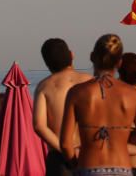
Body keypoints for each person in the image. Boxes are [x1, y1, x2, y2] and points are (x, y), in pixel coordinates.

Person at [61, 33, 136, 176]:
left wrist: (75, 166)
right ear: (119, 63)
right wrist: (121, 132)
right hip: (122, 168)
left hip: (89, 167)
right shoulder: (133, 95)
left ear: (92, 56)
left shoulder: (76, 93)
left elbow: (65, 144)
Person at [33, 37, 93, 175]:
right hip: (90, 154)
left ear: (47, 63)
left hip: (60, 157)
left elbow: (39, 126)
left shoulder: (44, 87)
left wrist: (66, 150)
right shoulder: (90, 81)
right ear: (72, 55)